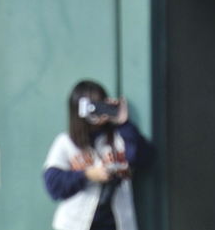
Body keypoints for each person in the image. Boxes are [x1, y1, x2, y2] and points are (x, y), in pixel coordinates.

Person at [42, 80, 156, 230]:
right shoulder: (66, 142)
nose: (99, 110)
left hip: (118, 224)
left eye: (102, 103)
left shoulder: (120, 137)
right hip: (75, 224)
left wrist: (124, 122)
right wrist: (88, 175)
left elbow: (144, 157)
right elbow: (53, 185)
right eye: (94, 106)